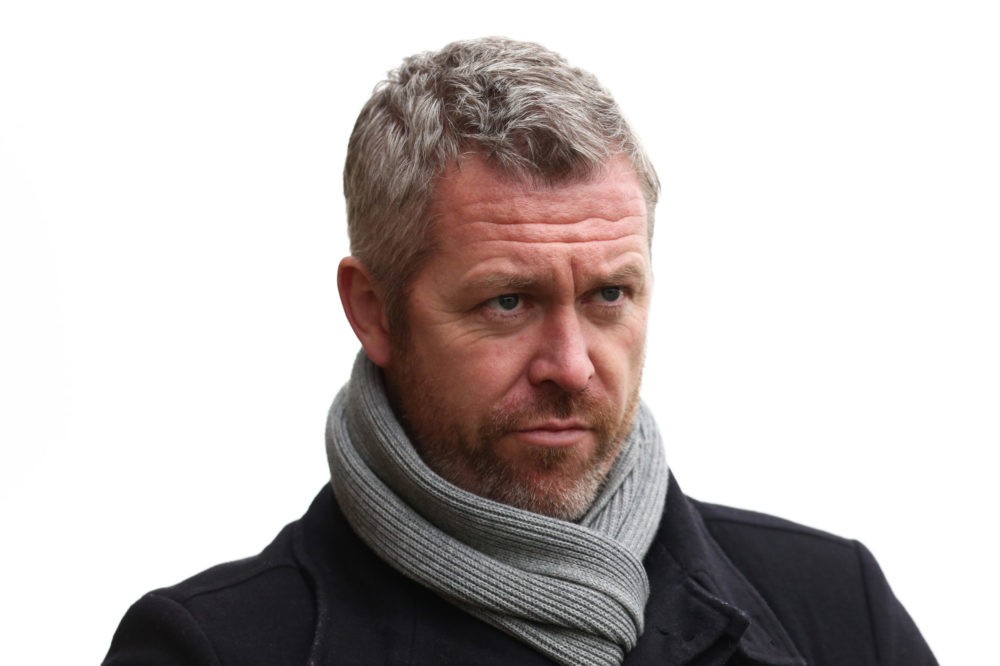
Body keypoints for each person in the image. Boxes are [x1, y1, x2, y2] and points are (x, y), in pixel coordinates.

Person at [103, 38, 937, 666]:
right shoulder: (210, 651)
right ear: (374, 310)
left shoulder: (835, 610)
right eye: (509, 302)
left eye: (609, 295)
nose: (570, 364)